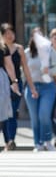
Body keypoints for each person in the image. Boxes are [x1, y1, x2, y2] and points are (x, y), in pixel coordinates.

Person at [0, 23, 36, 151]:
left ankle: (11, 140)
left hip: (15, 83)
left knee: (12, 112)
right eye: (6, 33)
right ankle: (7, 139)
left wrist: (31, 87)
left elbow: (25, 68)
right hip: (3, 83)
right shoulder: (2, 48)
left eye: (11, 33)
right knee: (4, 113)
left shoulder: (19, 49)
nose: (9, 36)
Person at [25, 28, 56, 152]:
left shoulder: (50, 51)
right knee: (34, 117)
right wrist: (30, 87)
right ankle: (38, 143)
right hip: (32, 87)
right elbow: (24, 72)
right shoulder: (27, 53)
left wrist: (48, 71)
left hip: (48, 87)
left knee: (44, 114)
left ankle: (47, 141)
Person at [0, 36, 23, 147]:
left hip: (1, 79)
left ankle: (7, 141)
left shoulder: (3, 47)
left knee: (3, 110)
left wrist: (14, 82)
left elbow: (9, 65)